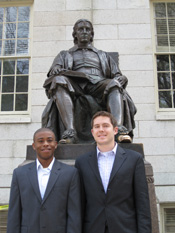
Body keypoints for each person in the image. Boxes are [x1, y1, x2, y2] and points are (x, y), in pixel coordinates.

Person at [42, 19, 137, 144]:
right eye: (81, 29)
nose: (85, 32)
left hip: (98, 84)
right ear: (75, 34)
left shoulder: (103, 55)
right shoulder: (64, 54)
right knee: (59, 80)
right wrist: (56, 69)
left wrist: (123, 78)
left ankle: (118, 129)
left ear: (92, 34)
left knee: (114, 84)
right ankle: (70, 131)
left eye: (88, 29)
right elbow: (55, 69)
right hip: (74, 84)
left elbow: (117, 74)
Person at [75, 111, 151, 233]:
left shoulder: (134, 160)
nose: (101, 130)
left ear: (115, 130)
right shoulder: (82, 162)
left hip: (125, 228)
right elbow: (79, 204)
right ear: (92, 132)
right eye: (97, 127)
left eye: (105, 126)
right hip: (93, 228)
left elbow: (142, 203)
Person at [7, 128, 81, 233]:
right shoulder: (19, 174)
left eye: (49, 140)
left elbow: (74, 214)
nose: (45, 144)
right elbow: (14, 214)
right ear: (34, 146)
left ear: (55, 144)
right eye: (41, 141)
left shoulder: (70, 173)